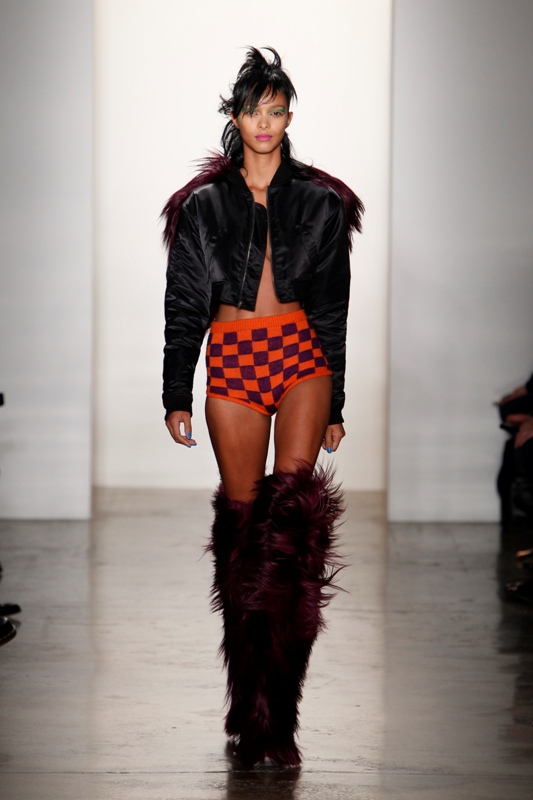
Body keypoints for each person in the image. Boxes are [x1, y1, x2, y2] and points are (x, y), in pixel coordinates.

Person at [161, 47, 363, 767]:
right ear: (235, 116)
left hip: (301, 355)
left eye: (277, 111)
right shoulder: (202, 207)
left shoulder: (320, 202)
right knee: (245, 534)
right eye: (254, 111)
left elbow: (333, 308)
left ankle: (281, 713)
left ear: (289, 118)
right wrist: (174, 391)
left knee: (293, 531)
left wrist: (336, 398)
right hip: (233, 361)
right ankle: (248, 699)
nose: (266, 123)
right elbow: (185, 303)